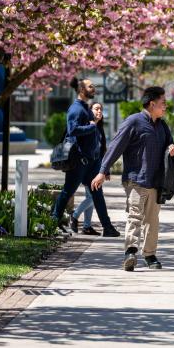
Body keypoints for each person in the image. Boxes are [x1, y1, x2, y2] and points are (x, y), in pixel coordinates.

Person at [91, 86, 174, 271]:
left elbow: (169, 143)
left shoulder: (162, 126)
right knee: (135, 216)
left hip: (156, 181)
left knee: (152, 220)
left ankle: (150, 255)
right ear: (152, 103)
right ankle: (130, 252)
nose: (165, 107)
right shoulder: (133, 122)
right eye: (163, 103)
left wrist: (172, 149)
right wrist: (102, 170)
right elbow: (116, 146)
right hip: (135, 179)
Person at [51, 78, 120, 237]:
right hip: (79, 161)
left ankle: (107, 227)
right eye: (90, 86)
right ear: (82, 89)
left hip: (91, 162)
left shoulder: (85, 108)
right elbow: (72, 130)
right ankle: (54, 221)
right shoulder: (76, 109)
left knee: (98, 194)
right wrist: (91, 126)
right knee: (68, 191)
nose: (93, 88)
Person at [70, 101, 107, 235]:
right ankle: (74, 215)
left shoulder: (99, 128)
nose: (99, 111)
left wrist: (104, 169)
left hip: (96, 167)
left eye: (101, 109)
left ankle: (86, 226)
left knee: (90, 195)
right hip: (86, 166)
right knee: (92, 197)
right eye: (96, 109)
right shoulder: (87, 126)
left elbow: (101, 150)